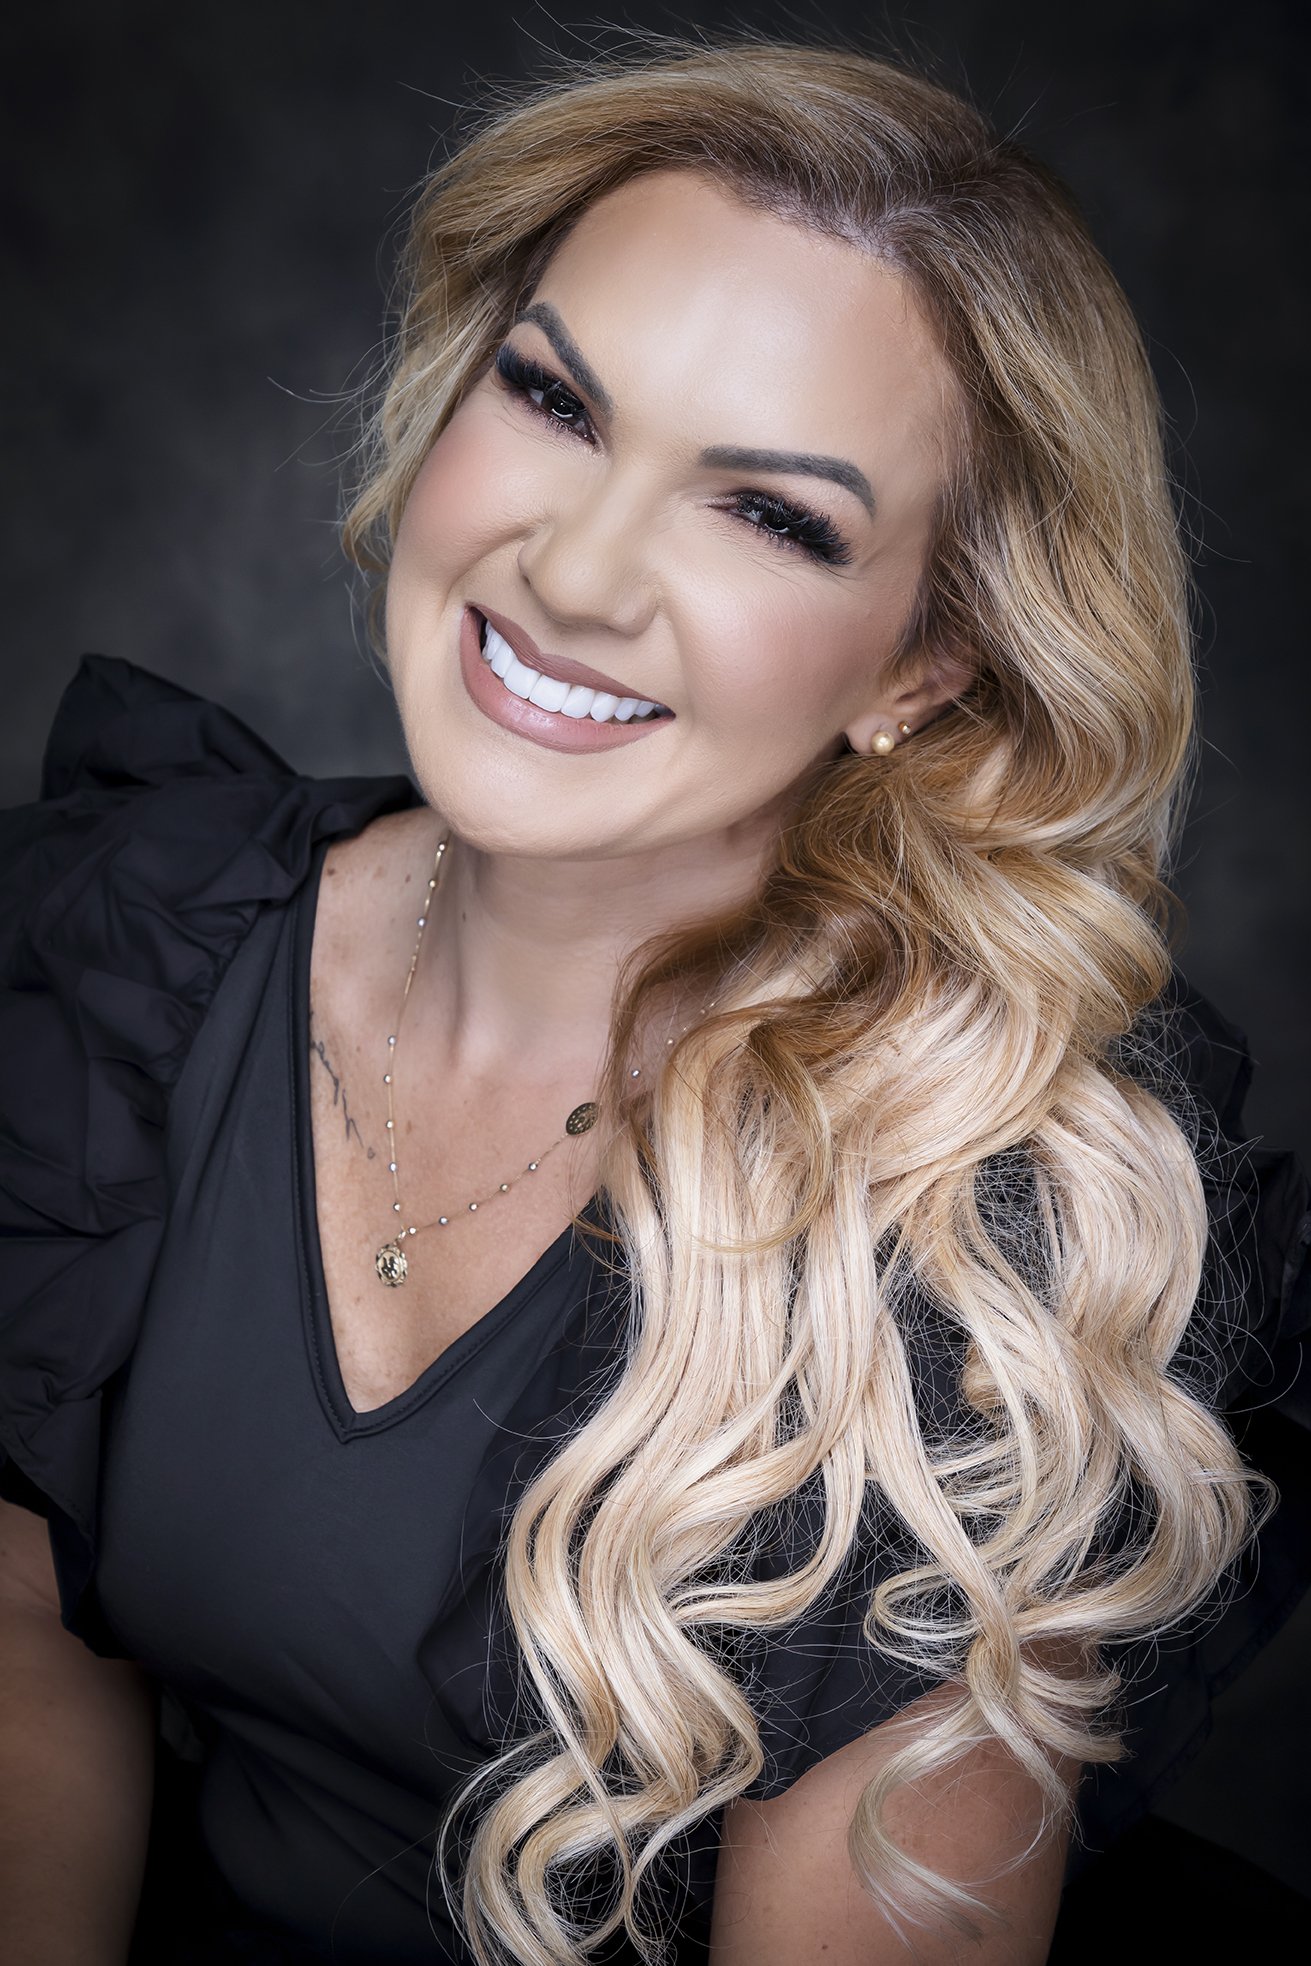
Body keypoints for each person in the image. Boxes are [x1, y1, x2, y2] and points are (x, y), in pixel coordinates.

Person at [1, 39, 1306, 1966]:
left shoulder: (995, 1257)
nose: (580, 571)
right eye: (551, 398)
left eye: (770, 513)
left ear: (923, 664)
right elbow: (35, 1643)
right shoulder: (139, 940)